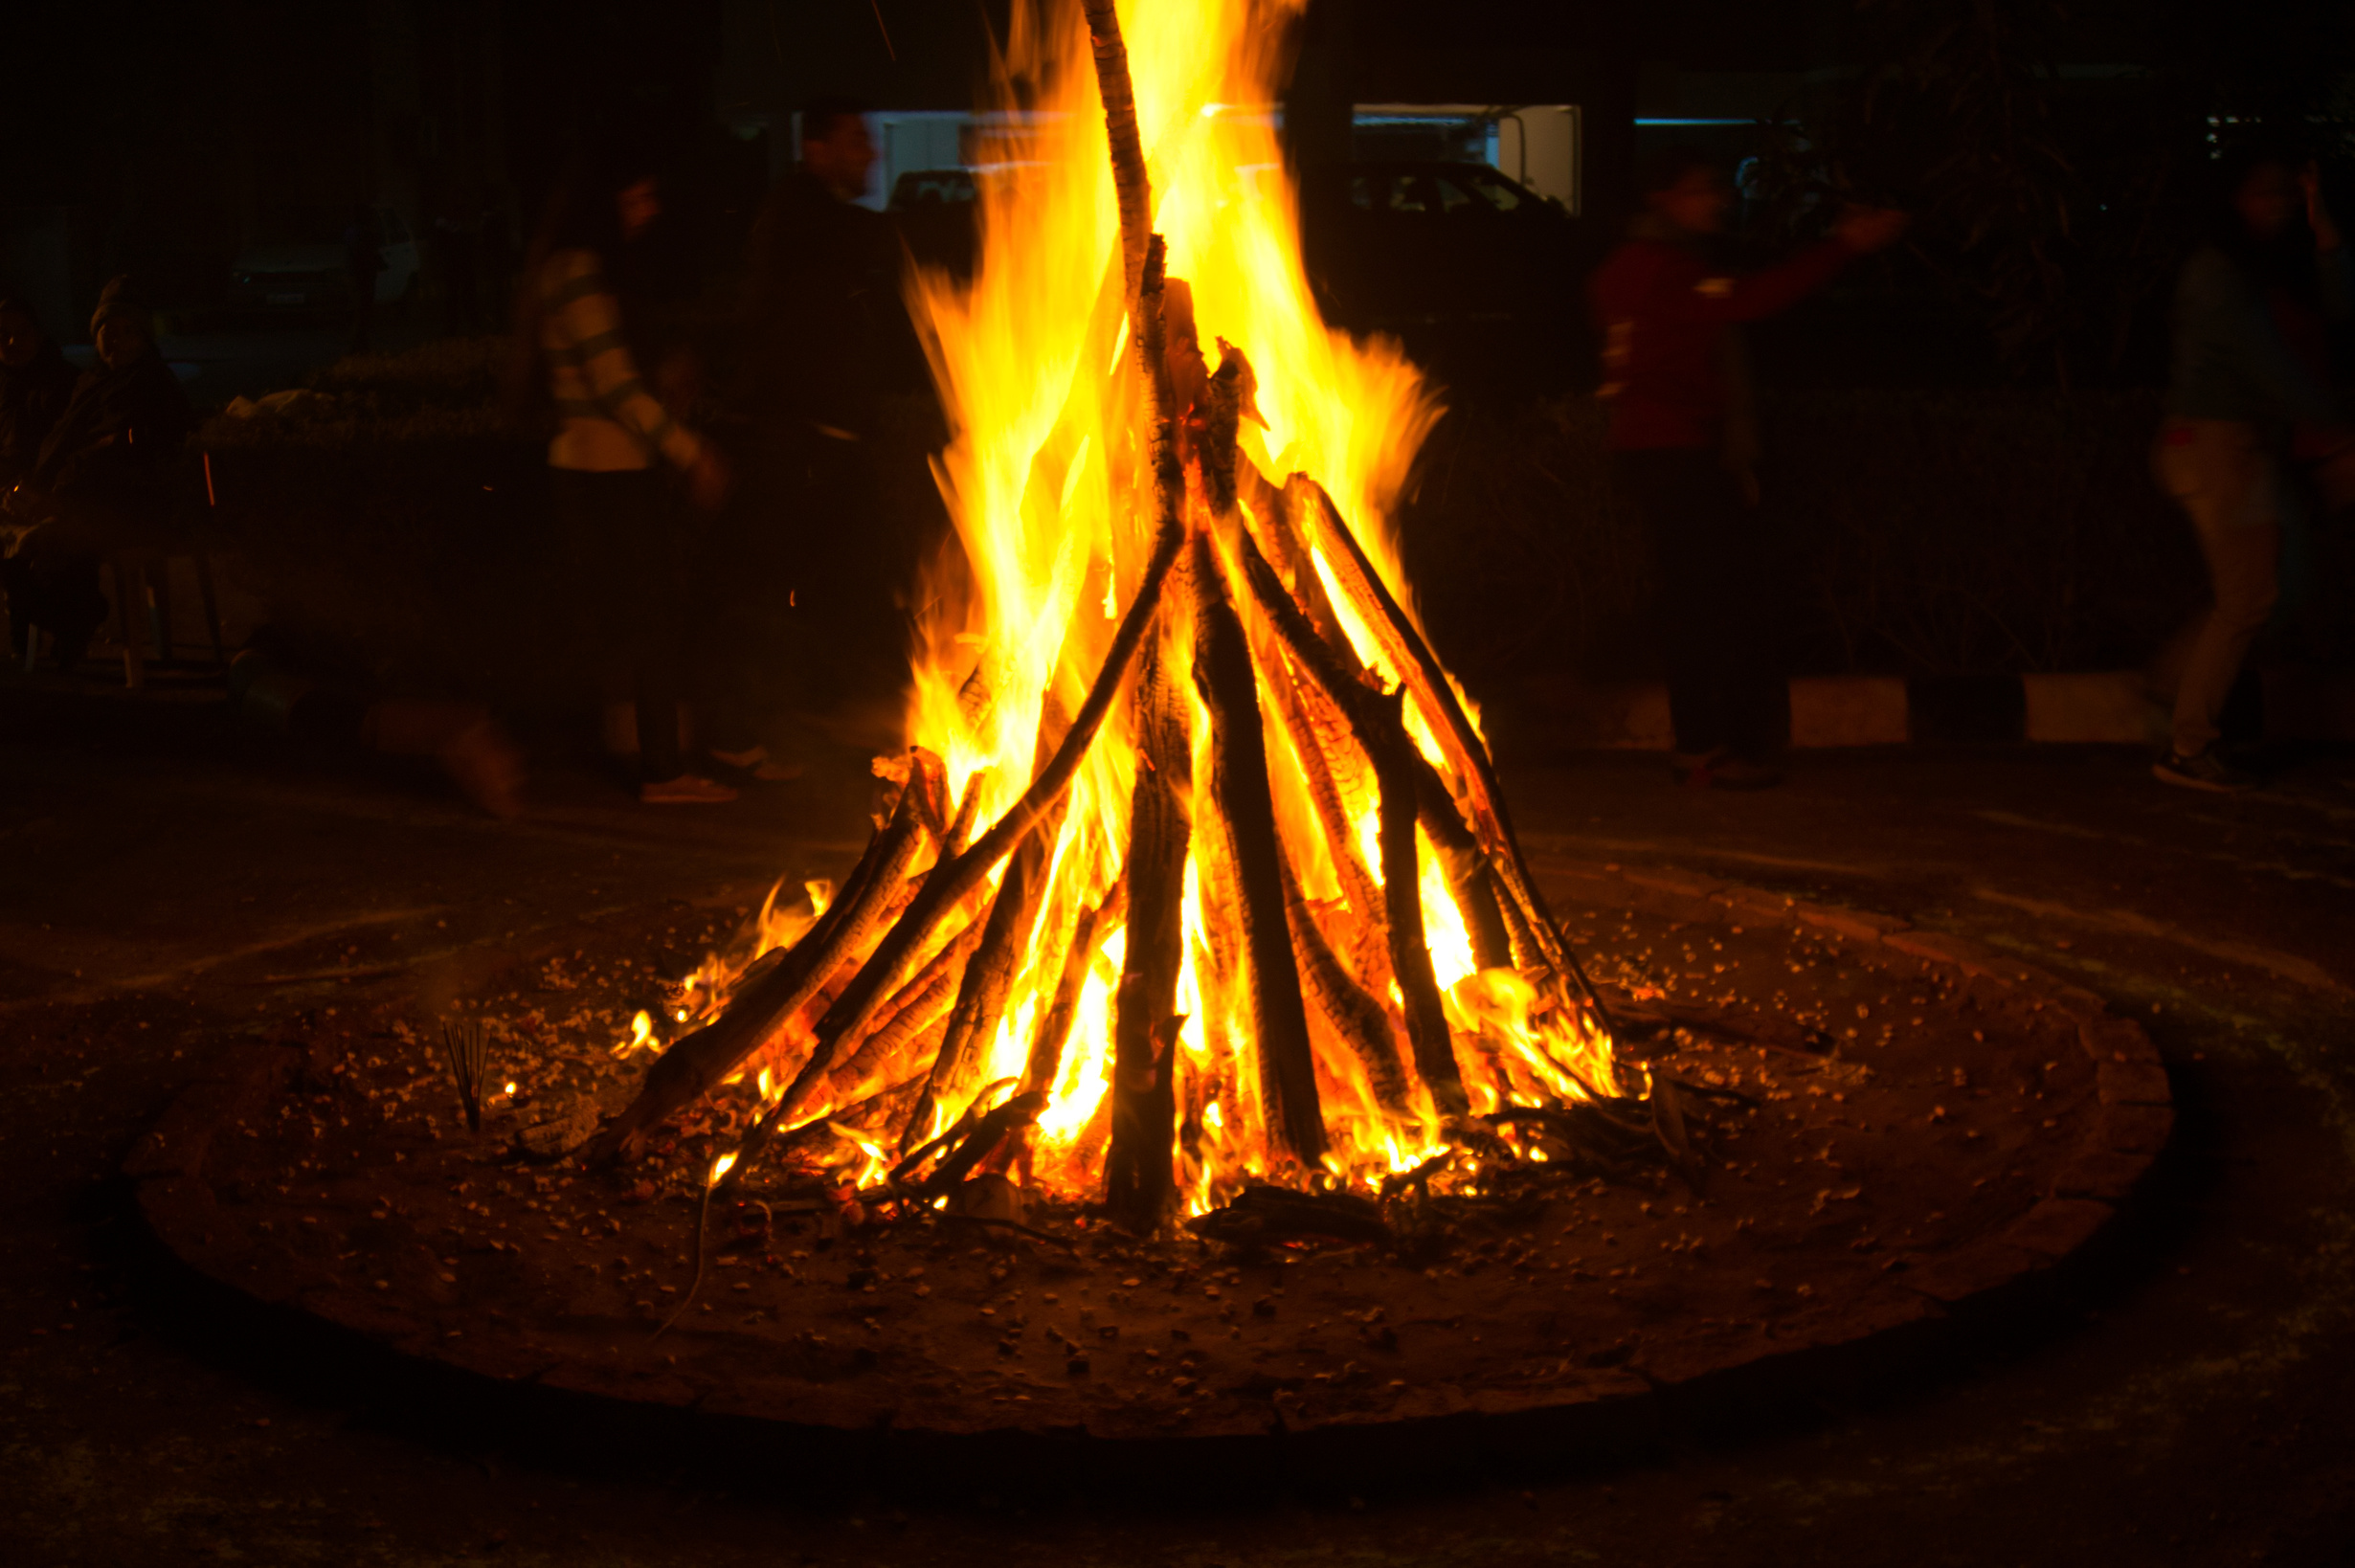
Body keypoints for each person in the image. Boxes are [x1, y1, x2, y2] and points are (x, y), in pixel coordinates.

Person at [1591, 149, 1906, 789]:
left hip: (1652, 450)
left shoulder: (1628, 267)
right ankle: (1705, 747)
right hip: (1678, 452)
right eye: (1702, 191)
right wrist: (1840, 247)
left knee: (1699, 599)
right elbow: (1751, 301)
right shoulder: (1667, 270)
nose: (1718, 203)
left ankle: (1705, 744)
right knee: (1710, 603)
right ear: (1665, 199)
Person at [519, 137, 740, 804]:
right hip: (609, 473)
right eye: (636, 197)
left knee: (626, 620)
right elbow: (615, 387)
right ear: (605, 203)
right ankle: (664, 772)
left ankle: (643, 756)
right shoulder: (581, 274)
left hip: (587, 467)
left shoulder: (559, 271)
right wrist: (689, 449)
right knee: (652, 621)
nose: (648, 211)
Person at [2149, 149, 2355, 793]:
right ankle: (2187, 739)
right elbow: (2265, 361)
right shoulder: (2219, 272)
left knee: (2270, 587)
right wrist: (2337, 435)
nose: (2276, 207)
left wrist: (2325, 230)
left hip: (2248, 449)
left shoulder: (2261, 264)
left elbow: (2339, 310)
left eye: (2286, 196)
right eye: (2263, 194)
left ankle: (2180, 701)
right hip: (2217, 447)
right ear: (2234, 198)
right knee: (2250, 596)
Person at [732, 96, 931, 720]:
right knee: (792, 583)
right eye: (853, 140)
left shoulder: (823, 220)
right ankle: (764, 724)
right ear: (814, 150)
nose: (869, 153)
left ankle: (833, 713)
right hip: (804, 441)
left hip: (832, 439)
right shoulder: (800, 215)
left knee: (852, 580)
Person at [0, 278, 192, 670]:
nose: (115, 341)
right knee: (15, 547)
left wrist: (54, 496)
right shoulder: (93, 383)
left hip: (130, 505)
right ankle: (66, 621)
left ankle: (77, 619)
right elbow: (59, 447)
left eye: (127, 331)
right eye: (106, 331)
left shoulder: (149, 384)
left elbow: (116, 453)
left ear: (143, 337)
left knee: (47, 541)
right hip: (76, 496)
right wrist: (31, 489)